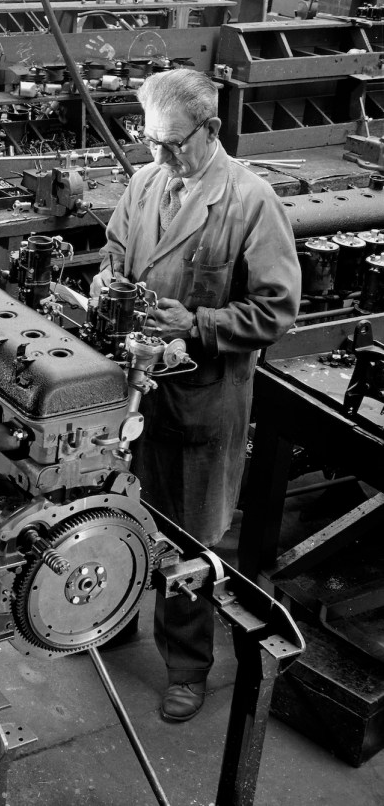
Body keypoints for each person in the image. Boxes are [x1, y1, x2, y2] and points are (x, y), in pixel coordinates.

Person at [92, 69, 300, 722]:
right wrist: (106, 285)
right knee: (122, 510)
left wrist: (201, 324)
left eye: (174, 143)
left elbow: (277, 308)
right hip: (135, 386)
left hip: (203, 398)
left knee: (185, 538)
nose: (159, 157)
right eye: (151, 141)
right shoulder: (146, 180)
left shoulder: (250, 200)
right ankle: (113, 616)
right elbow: (117, 254)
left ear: (209, 128)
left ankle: (188, 667)